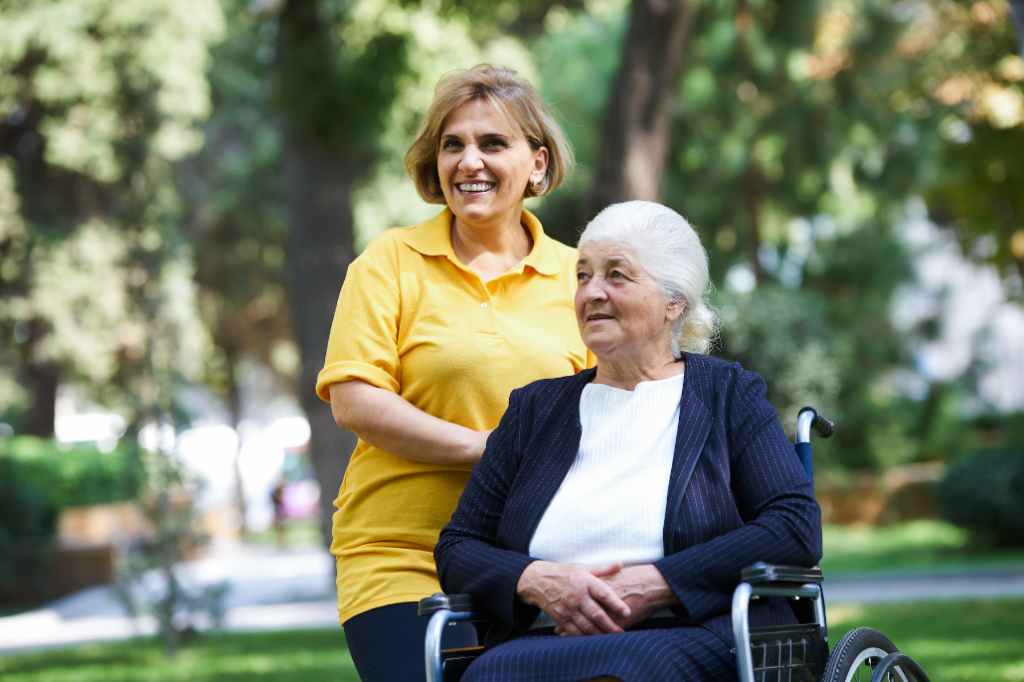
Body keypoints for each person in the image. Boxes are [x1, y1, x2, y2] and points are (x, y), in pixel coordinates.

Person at [435, 201, 823, 682]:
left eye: (616, 275)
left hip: (691, 630)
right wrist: (535, 579)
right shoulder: (534, 410)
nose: (592, 291)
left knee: (635, 670)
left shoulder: (728, 395)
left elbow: (793, 526)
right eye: (583, 275)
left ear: (673, 302)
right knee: (489, 675)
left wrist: (660, 583)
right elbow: (458, 546)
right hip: (542, 639)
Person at [315, 64, 592, 682]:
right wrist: (486, 448)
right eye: (452, 144)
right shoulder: (391, 261)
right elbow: (355, 400)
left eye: (492, 143)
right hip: (400, 556)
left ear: (538, 164)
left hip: (533, 561)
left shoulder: (579, 279)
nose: (469, 162)